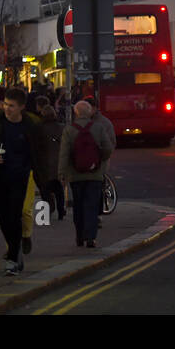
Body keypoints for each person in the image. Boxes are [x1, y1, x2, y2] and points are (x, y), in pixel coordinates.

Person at [0, 87, 44, 276]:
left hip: (21, 177)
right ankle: (15, 251)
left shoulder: (31, 125)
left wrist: (46, 181)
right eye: (6, 104)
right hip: (0, 176)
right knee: (3, 218)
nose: (7, 109)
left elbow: (41, 153)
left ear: (21, 107)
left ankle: (12, 258)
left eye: (12, 106)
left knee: (15, 215)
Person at [58, 101, 113, 247]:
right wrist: (100, 160)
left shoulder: (69, 130)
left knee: (79, 206)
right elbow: (108, 148)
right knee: (92, 206)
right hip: (94, 174)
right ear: (89, 113)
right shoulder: (98, 128)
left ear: (76, 113)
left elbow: (64, 154)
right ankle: (91, 238)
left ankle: (79, 236)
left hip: (75, 175)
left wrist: (62, 173)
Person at [36, 103, 65, 221]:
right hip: (58, 163)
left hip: (44, 164)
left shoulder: (39, 129)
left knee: (45, 190)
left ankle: (46, 212)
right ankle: (60, 211)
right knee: (59, 190)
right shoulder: (61, 127)